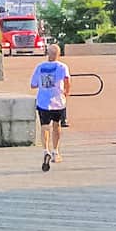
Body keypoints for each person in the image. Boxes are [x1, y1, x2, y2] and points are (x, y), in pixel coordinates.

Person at [30, 43, 71, 171]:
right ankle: (55, 151)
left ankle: (45, 150)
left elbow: (33, 84)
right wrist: (66, 93)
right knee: (56, 125)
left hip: (43, 101)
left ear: (48, 54)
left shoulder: (40, 67)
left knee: (44, 127)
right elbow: (67, 81)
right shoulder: (62, 67)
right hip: (58, 101)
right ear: (58, 54)